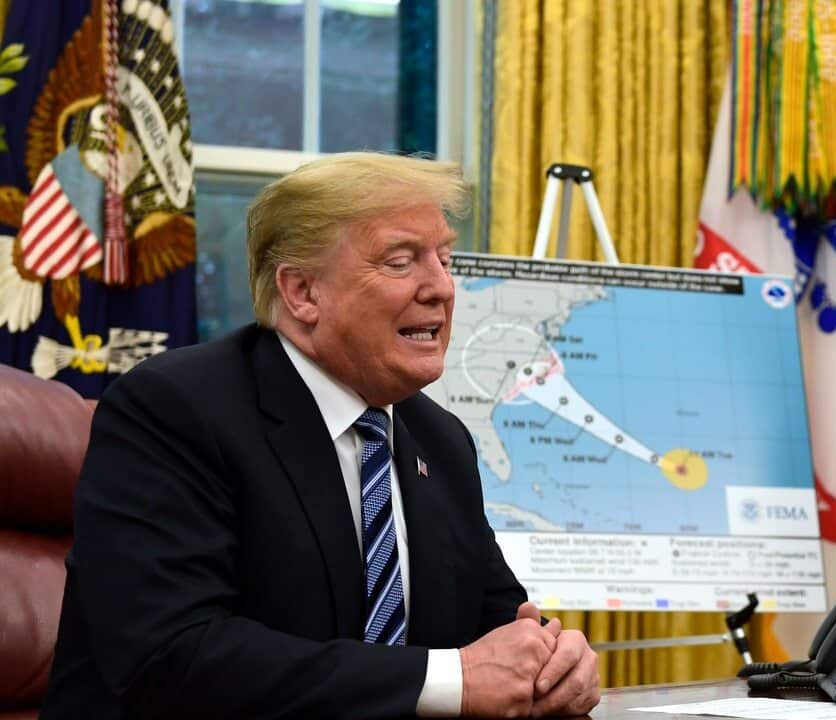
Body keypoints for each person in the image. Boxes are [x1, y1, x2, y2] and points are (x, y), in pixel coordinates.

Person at [41, 153, 600, 719]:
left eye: (445, 258)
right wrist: (451, 677)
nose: (442, 288)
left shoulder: (441, 440)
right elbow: (171, 655)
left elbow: (501, 625)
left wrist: (554, 661)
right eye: (401, 261)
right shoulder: (175, 410)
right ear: (303, 292)